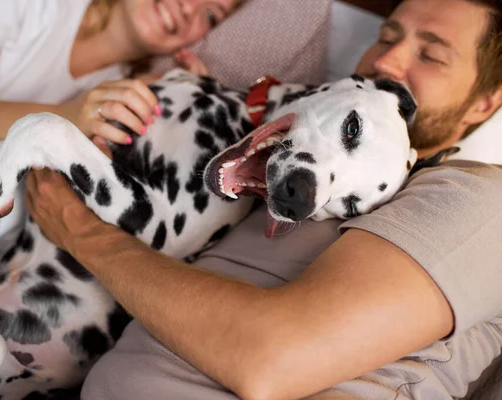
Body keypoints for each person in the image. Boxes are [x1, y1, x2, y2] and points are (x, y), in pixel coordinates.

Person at [26, 0, 502, 398]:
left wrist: (80, 231)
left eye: (431, 55)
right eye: (386, 35)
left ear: (487, 101)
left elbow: (270, 356)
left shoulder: (480, 201)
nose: (386, 62)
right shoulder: (292, 142)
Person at [0, 0, 235, 153]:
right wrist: (64, 121)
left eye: (209, 14)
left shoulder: (116, 92)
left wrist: (182, 101)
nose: (188, 7)